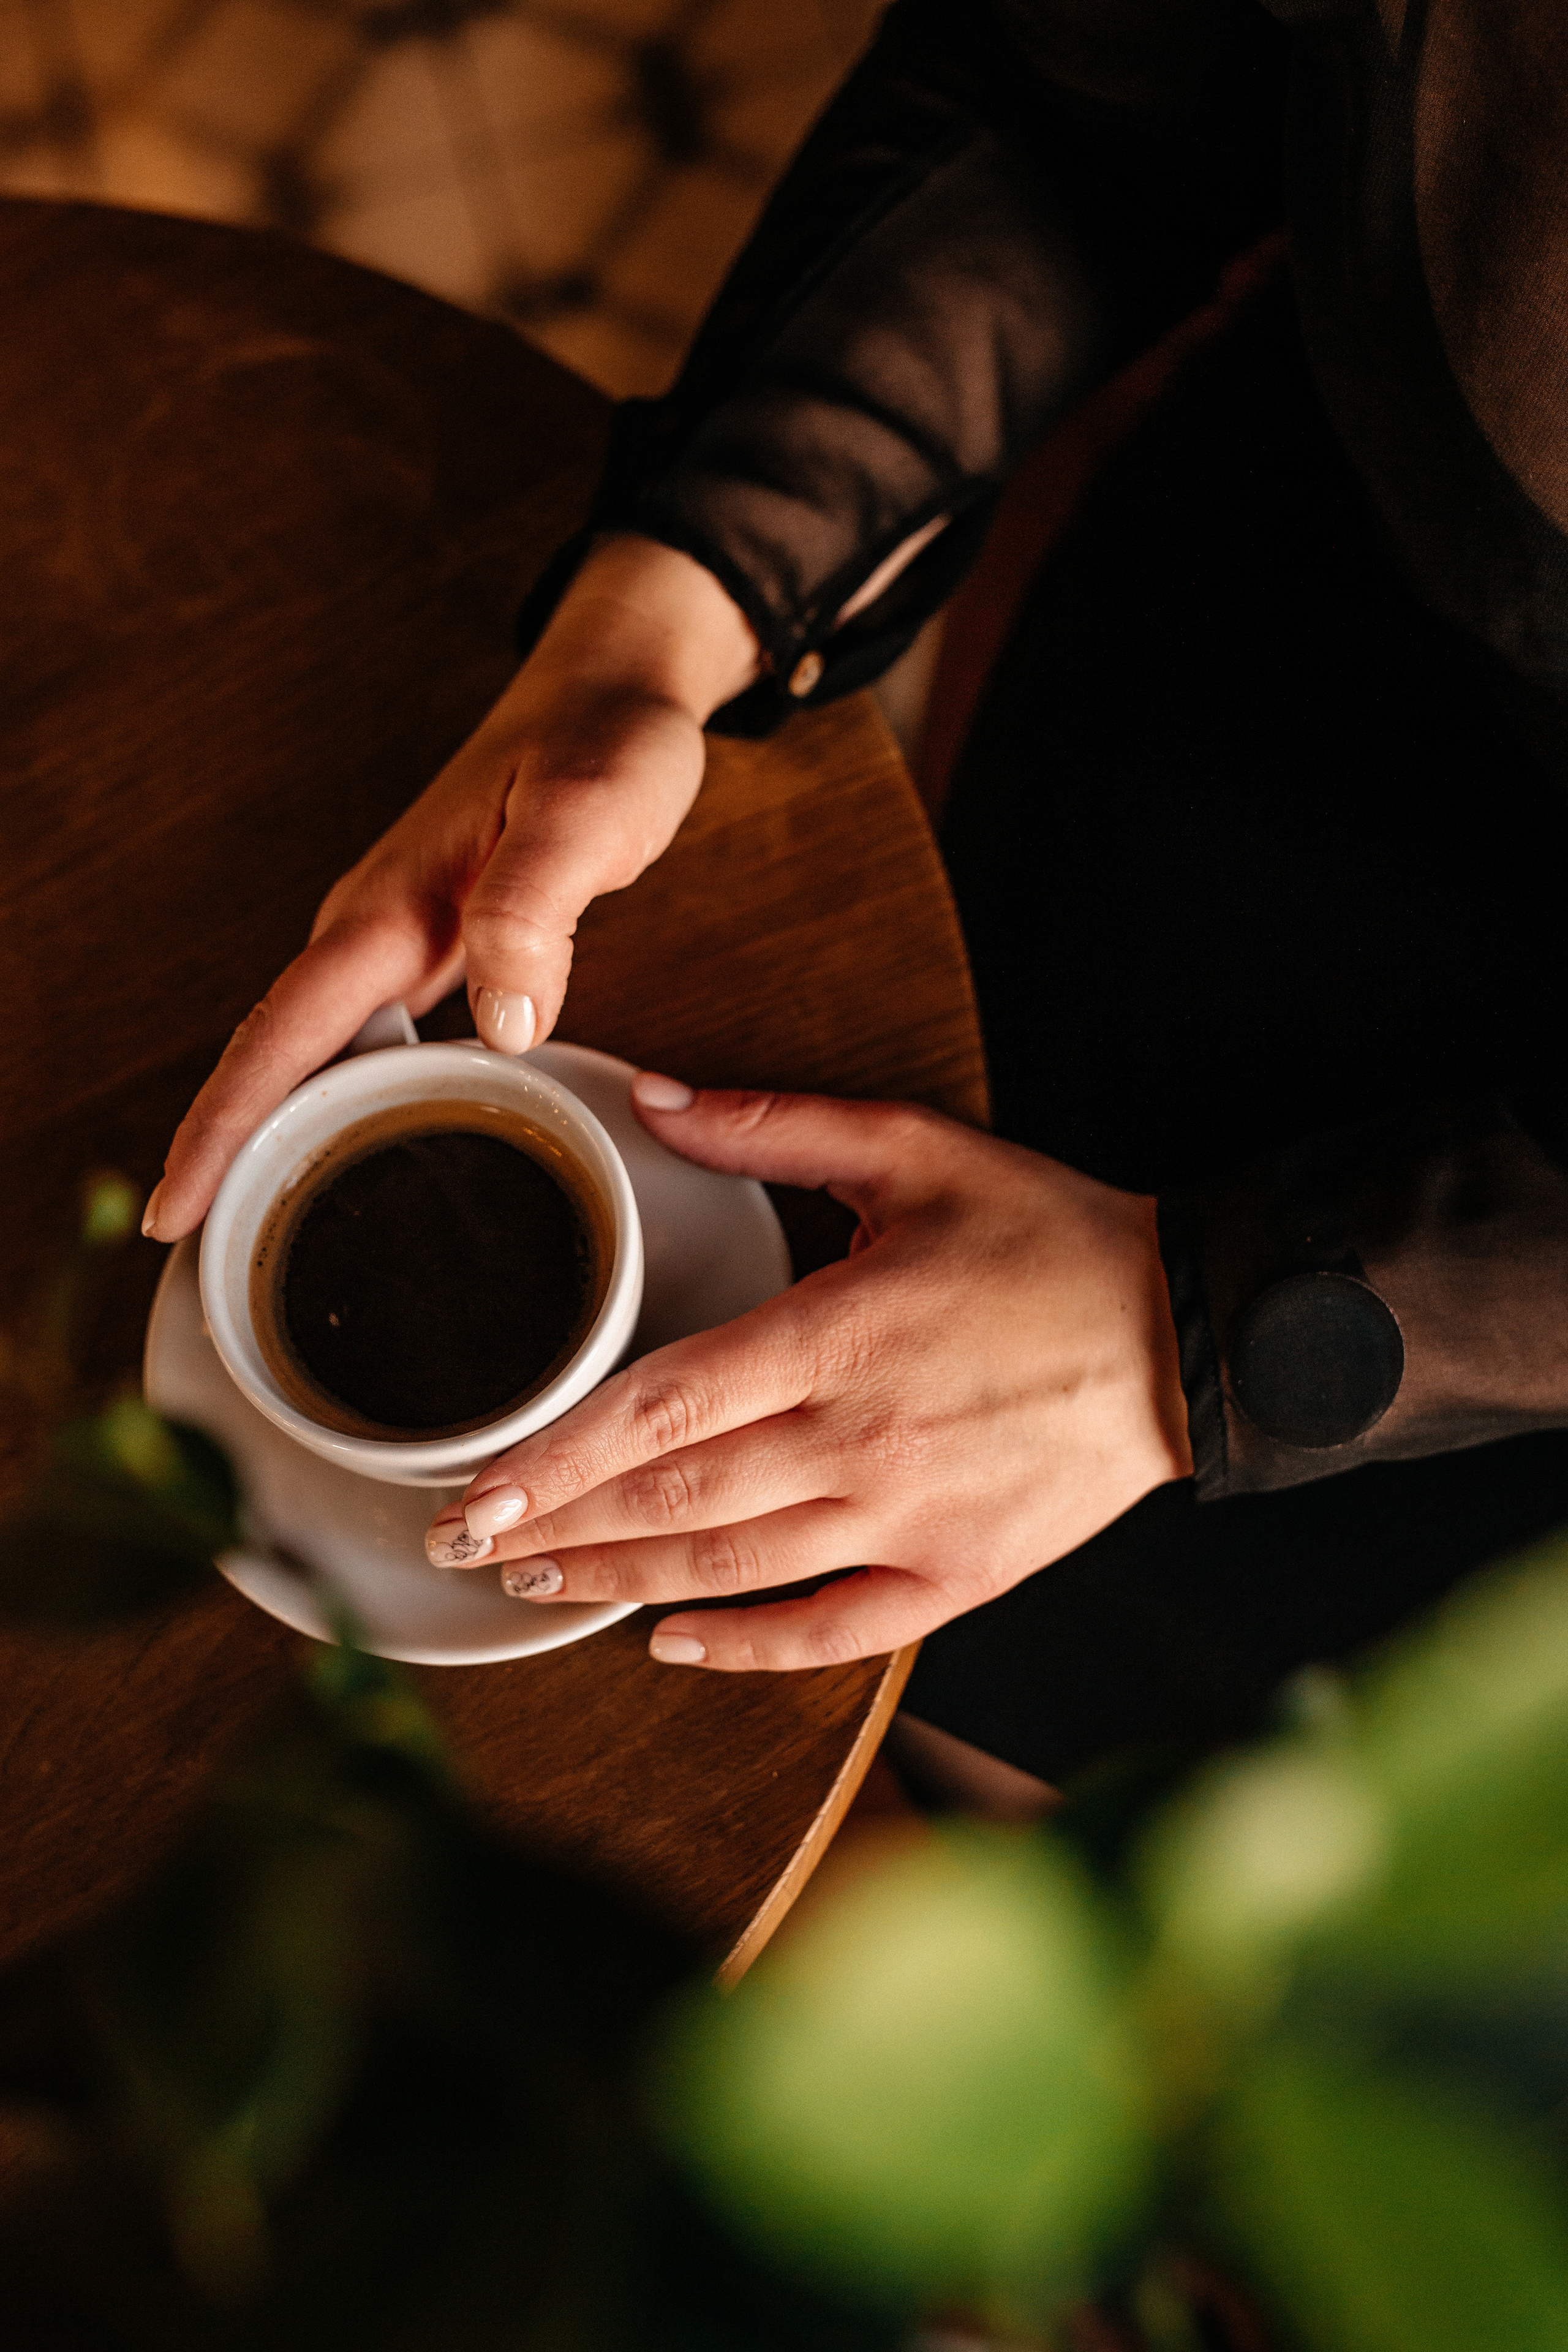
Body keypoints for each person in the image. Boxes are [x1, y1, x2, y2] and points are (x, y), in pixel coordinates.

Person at [143, 0, 1568, 1784]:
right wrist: (664, 617)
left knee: (1120, 1721)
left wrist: (1185, 1334)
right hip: (1315, 602)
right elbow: (1090, 88)